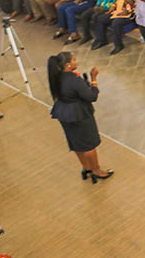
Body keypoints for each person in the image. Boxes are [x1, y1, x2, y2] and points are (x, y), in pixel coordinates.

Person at [47, 52, 113, 183]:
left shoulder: (57, 77)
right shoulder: (74, 80)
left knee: (76, 142)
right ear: (68, 65)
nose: (76, 62)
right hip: (79, 114)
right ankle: (97, 170)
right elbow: (91, 97)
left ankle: (86, 167)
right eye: (74, 60)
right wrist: (94, 80)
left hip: (64, 113)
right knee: (89, 144)